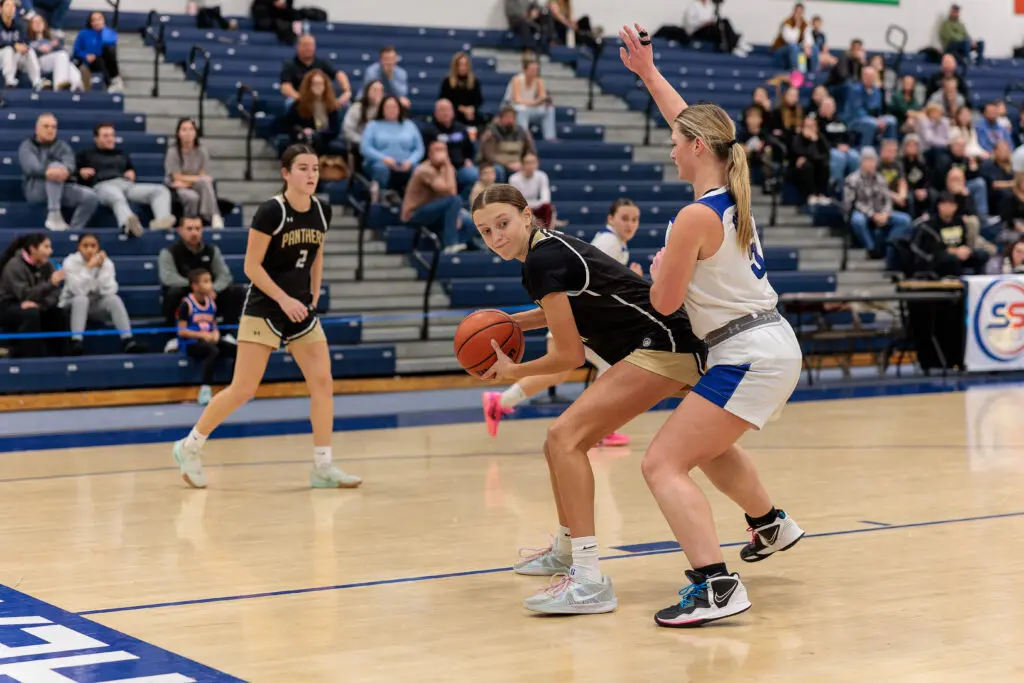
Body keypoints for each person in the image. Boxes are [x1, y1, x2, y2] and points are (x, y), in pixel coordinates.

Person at [619, 22, 806, 627]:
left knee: (660, 464)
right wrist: (648, 74)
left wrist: (659, 267)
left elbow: (665, 302)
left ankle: (715, 586)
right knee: (708, 447)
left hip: (747, 351)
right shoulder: (729, 190)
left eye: (677, 143)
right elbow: (693, 122)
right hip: (767, 342)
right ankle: (770, 525)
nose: (670, 148)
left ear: (698, 148)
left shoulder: (692, 217)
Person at [471, 184, 708, 615]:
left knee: (565, 437)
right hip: (658, 342)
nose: (496, 237)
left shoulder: (541, 259)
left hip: (665, 343)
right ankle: (770, 520)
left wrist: (512, 372)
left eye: (502, 223)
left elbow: (568, 356)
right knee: (559, 442)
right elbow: (565, 309)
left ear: (528, 216)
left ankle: (588, 579)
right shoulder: (544, 249)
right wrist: (512, 323)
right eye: (486, 232)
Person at [171, 144, 361, 490]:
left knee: (322, 383)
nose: (311, 175)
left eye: (315, 169)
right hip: (265, 307)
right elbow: (250, 267)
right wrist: (284, 298)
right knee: (243, 388)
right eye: (303, 168)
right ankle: (189, 446)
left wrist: (314, 293)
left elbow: (315, 254)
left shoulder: (322, 211)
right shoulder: (271, 211)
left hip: (301, 309)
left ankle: (323, 465)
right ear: (285, 173)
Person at [482, 197, 644, 448]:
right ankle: (598, 427)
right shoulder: (608, 241)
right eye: (624, 218)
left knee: (560, 372)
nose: (630, 224)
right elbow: (592, 285)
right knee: (607, 370)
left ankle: (500, 402)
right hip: (575, 319)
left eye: (634, 219)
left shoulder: (616, 244)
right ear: (611, 219)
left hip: (578, 317)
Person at [59, 232, 146, 355]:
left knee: (114, 299)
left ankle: (128, 340)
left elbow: (110, 290)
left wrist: (99, 270)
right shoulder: (70, 262)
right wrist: (89, 268)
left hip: (95, 305)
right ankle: (76, 342)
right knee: (81, 299)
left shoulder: (107, 263)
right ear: (79, 247)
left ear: (98, 247)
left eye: (93, 246)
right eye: (85, 246)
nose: (89, 249)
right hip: (71, 305)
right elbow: (78, 290)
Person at [0, 232, 68, 358]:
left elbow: (56, 293)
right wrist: (50, 284)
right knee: (30, 314)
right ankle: (31, 359)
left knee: (58, 313)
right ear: (33, 249)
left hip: (37, 303)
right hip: (7, 305)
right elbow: (24, 294)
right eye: (46, 247)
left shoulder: (48, 265)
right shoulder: (14, 265)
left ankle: (62, 359)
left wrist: (41, 305)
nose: (51, 251)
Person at [178, 268, 238, 406]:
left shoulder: (211, 303)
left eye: (210, 281)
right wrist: (202, 335)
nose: (210, 284)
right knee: (213, 351)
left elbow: (213, 324)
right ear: (195, 285)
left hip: (209, 340)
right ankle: (205, 389)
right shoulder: (186, 304)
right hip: (191, 343)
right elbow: (182, 331)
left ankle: (235, 388)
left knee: (238, 351)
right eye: (205, 281)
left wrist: (215, 334)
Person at [165, 118, 224, 228]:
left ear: (196, 132)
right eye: (184, 129)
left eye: (191, 129)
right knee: (192, 197)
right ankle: (193, 224)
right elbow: (176, 177)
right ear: (178, 133)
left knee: (205, 184)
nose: (188, 133)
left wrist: (191, 182)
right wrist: (197, 180)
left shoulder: (202, 151)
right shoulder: (173, 152)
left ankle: (213, 217)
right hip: (176, 185)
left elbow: (202, 174)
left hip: (191, 183)